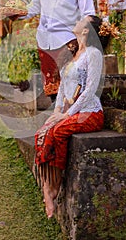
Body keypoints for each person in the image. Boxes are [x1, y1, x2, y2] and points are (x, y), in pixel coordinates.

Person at [34, 15, 109, 219]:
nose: (77, 21)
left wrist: (66, 115)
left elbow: (90, 90)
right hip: (71, 110)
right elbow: (62, 88)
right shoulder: (76, 52)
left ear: (86, 30)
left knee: (57, 131)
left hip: (90, 113)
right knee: (42, 133)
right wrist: (56, 112)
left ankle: (53, 189)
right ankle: (47, 188)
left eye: (81, 20)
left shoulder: (93, 54)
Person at [22, 0, 96, 101]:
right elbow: (35, 6)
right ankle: (57, 120)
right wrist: (19, 14)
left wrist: (84, 41)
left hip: (67, 39)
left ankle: (68, 121)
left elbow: (88, 13)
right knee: (52, 89)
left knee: (71, 86)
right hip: (44, 39)